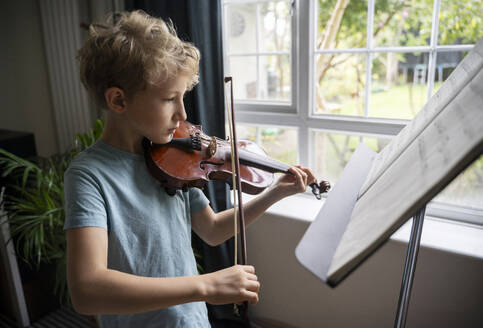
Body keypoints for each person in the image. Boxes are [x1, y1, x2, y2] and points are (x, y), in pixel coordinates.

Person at [64, 10, 317, 328]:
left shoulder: (172, 161)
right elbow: (86, 291)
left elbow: (212, 230)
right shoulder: (89, 175)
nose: (182, 113)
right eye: (170, 98)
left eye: (183, 97)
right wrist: (206, 286)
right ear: (118, 100)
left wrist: (275, 193)